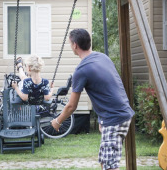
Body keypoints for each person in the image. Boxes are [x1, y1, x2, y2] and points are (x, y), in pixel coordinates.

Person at [51, 28, 135, 170]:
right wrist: (103, 119)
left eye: (70, 44)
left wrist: (58, 121)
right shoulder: (102, 57)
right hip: (118, 115)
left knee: (110, 166)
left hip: (115, 119)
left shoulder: (81, 70)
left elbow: (72, 106)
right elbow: (111, 87)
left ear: (75, 45)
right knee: (104, 160)